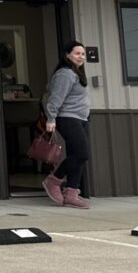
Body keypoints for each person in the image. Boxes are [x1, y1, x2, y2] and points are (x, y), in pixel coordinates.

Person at [42, 41, 92, 208]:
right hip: (67, 118)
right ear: (67, 55)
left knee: (76, 156)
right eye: (77, 53)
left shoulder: (75, 73)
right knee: (81, 154)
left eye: (83, 54)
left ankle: (71, 193)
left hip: (80, 119)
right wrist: (51, 119)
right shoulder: (65, 74)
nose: (81, 57)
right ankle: (53, 180)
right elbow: (55, 98)